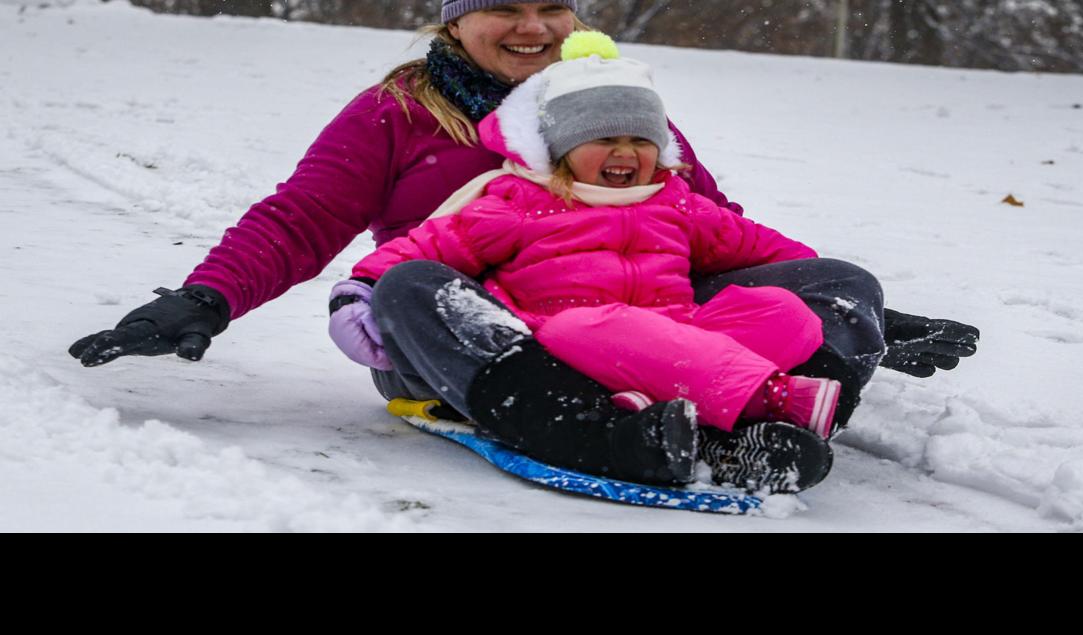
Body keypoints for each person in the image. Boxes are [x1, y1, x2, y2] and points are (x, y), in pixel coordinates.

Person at [66, 1, 978, 454]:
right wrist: (207, 296)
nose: (534, 25)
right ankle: (595, 429)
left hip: (651, 329)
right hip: (485, 336)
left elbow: (707, 227)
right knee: (418, 286)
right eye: (506, 4)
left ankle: (781, 422)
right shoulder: (399, 113)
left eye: (554, 5)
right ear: (456, 18)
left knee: (840, 283)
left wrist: (859, 317)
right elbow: (304, 217)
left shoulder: (615, 111)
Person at [339, 35, 843, 491]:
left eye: (641, 140)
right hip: (567, 347)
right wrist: (357, 294)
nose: (625, 153)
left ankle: (699, 423)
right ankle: (766, 399)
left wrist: (838, 297)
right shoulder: (519, 203)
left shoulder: (676, 202)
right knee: (591, 325)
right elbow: (423, 250)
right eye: (603, 139)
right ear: (562, 148)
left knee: (782, 310)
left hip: (674, 341)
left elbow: (774, 252)